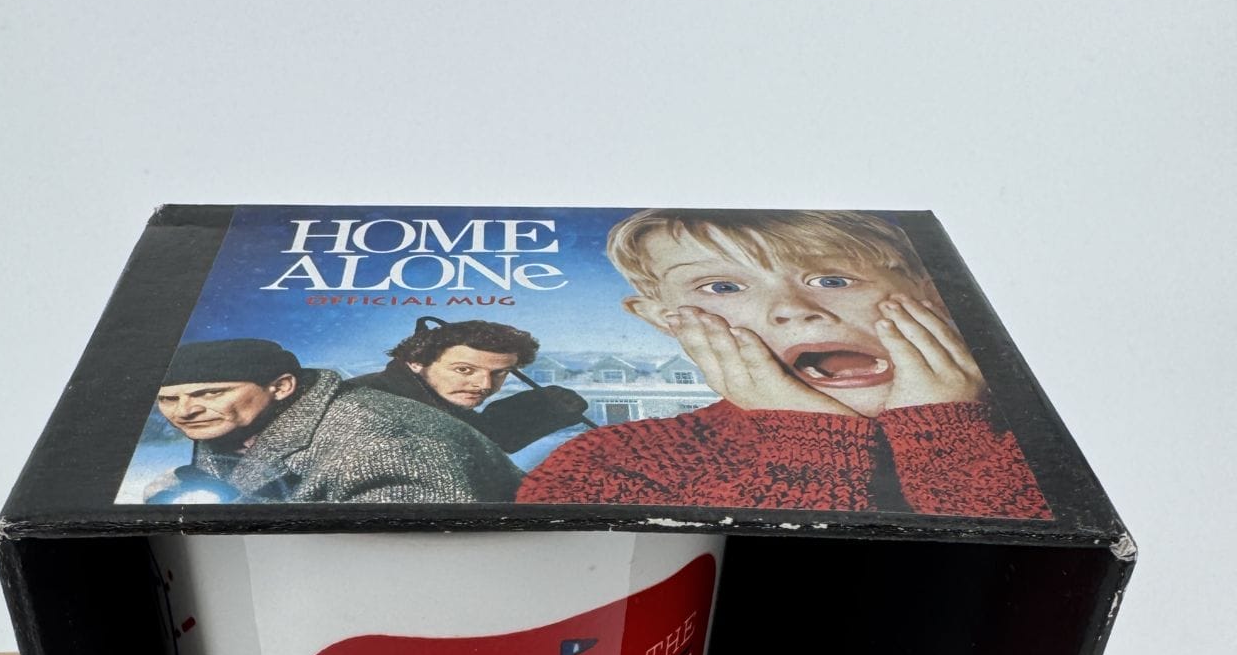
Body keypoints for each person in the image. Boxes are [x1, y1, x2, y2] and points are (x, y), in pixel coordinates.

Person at [517, 210, 1049, 518]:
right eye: (722, 287)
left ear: (930, 292)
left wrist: (949, 437)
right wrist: (808, 438)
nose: (792, 309)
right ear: (665, 319)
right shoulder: (607, 465)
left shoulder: (1044, 432)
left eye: (832, 279)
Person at [143, 336, 521, 504]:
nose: (184, 411)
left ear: (281, 387)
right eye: (168, 399)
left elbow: (407, 557)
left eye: (210, 393)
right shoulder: (235, 419)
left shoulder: (384, 442)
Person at [347, 319, 591, 470]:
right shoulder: (366, 406)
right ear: (416, 362)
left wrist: (546, 409)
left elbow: (482, 436)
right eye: (464, 370)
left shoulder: (429, 399)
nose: (484, 385)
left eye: (500, 373)